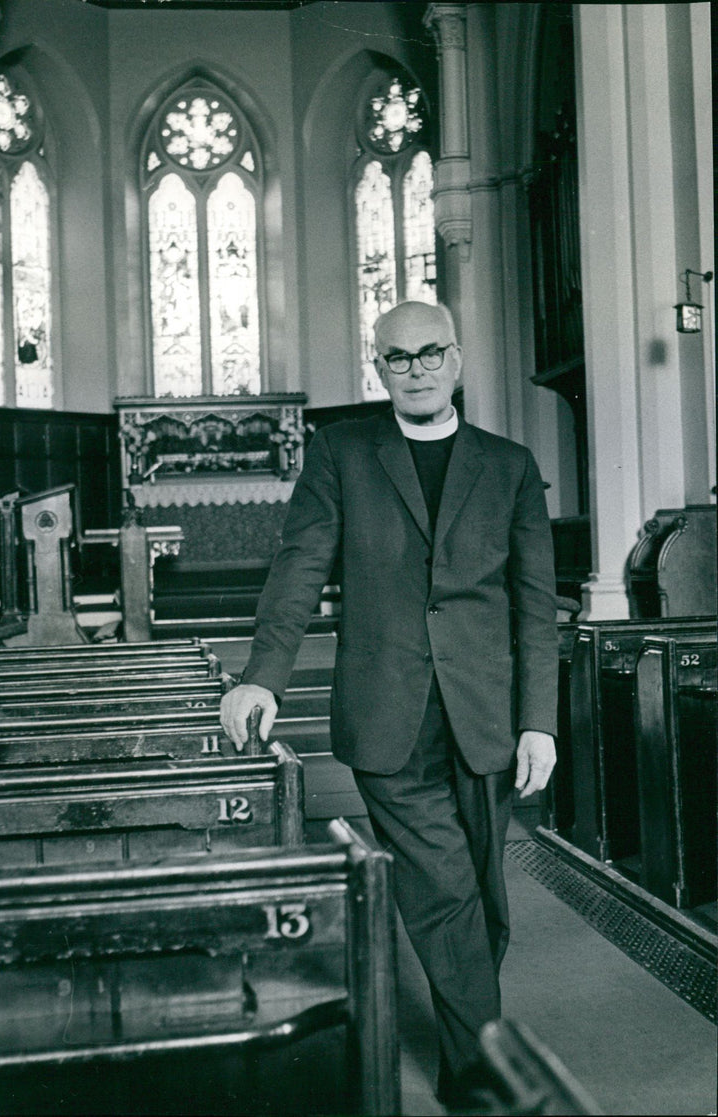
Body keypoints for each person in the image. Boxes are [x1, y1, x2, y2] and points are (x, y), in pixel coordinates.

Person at [220, 299, 558, 1110]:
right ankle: (492, 1080)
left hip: (486, 717)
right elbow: (299, 568)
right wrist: (263, 674)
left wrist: (539, 717)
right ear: (379, 369)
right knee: (443, 890)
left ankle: (462, 1053)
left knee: (482, 895)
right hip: (386, 714)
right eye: (398, 358)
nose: (416, 369)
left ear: (458, 359)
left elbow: (534, 604)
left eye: (431, 352)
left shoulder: (509, 466)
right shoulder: (341, 453)